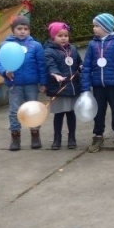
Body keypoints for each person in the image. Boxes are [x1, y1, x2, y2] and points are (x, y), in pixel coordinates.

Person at [0, 15, 47, 151]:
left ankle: (35, 135)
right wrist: (5, 72)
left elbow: (41, 65)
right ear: (13, 30)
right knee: (14, 111)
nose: (23, 31)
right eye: (19, 28)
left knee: (33, 110)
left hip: (31, 84)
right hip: (14, 84)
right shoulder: (5, 46)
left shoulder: (36, 46)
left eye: (26, 29)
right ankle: (15, 137)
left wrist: (43, 82)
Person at [81, 13, 114, 153]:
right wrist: (85, 85)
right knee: (98, 112)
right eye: (94, 26)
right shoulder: (92, 44)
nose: (94, 29)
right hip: (98, 85)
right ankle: (97, 135)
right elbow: (87, 65)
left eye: (96, 26)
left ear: (106, 27)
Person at [44, 21, 82, 150]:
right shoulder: (49, 51)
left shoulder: (73, 49)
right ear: (53, 37)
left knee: (71, 114)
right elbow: (50, 65)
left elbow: (78, 63)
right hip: (59, 88)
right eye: (60, 36)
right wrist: (55, 74)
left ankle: (72, 138)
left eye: (66, 35)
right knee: (59, 115)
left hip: (72, 88)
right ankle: (57, 138)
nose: (64, 38)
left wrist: (82, 67)